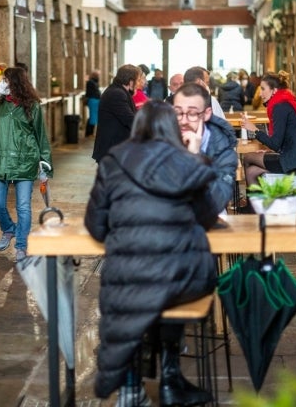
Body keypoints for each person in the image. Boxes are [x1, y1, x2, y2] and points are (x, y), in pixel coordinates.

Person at [86, 100, 220, 407]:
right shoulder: (184, 161)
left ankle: (132, 390)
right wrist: (195, 156)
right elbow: (208, 218)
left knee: (139, 298)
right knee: (161, 292)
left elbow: (95, 228)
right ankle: (171, 380)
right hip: (183, 279)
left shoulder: (112, 161)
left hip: (126, 280)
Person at [0, 66, 53, 262]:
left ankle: (21, 246)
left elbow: (41, 137)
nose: (3, 84)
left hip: (25, 162)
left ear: (16, 82)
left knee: (24, 207)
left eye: (6, 80)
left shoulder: (32, 106)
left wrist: (45, 166)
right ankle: (9, 229)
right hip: (1, 163)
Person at [241, 70, 296, 188]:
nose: (260, 94)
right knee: (252, 171)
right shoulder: (290, 101)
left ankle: (257, 205)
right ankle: (259, 204)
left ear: (274, 90)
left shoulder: (279, 107)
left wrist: (255, 130)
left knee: (248, 158)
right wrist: (270, 153)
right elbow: (285, 139)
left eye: (263, 89)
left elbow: (275, 144)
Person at [173, 82, 238, 216]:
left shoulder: (223, 149)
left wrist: (195, 158)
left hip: (210, 222)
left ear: (207, 113)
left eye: (192, 113)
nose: (183, 121)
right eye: (178, 112)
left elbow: (217, 201)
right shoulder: (164, 139)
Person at [92, 64, 140, 162]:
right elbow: (131, 119)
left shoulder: (118, 91)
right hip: (112, 152)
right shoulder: (117, 94)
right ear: (131, 82)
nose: (139, 84)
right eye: (138, 80)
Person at [85, 69, 101, 137]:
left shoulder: (93, 82)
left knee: (93, 117)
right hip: (93, 100)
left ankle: (90, 132)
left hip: (95, 100)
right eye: (98, 75)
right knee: (92, 117)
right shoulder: (90, 82)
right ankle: (89, 133)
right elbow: (94, 91)